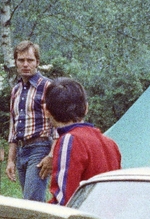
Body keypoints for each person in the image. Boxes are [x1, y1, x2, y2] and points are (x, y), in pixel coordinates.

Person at [42, 77, 121, 206]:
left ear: (46, 111)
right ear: (86, 108)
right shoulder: (110, 143)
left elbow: (64, 201)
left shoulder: (69, 140)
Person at [4, 41, 53, 202]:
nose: (25, 64)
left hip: (40, 147)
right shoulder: (16, 90)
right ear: (16, 62)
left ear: (37, 62)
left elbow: (58, 124)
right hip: (22, 150)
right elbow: (13, 126)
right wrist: (11, 160)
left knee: (32, 201)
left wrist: (52, 155)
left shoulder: (47, 86)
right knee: (29, 201)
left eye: (30, 60)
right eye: (21, 60)